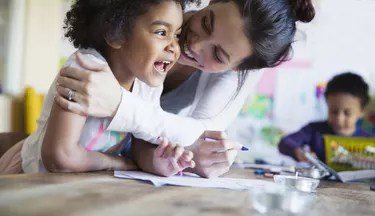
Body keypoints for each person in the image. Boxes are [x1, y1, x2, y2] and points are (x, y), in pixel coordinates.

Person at [54, 0, 316, 177]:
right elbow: (58, 152)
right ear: (212, 1)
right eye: (206, 23)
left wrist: (121, 107)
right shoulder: (146, 18)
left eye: (218, 55)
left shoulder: (151, 82)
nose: (195, 45)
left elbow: (197, 134)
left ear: (236, 68)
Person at [0, 0, 198, 174]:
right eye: (162, 32)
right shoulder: (85, 70)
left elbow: (140, 149)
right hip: (33, 178)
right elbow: (59, 157)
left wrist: (159, 162)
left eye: (177, 36)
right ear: (116, 34)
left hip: (84, 184)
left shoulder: (148, 85)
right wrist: (115, 163)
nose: (174, 47)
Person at [278, 72, 374, 163]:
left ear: (362, 112)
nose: (339, 119)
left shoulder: (370, 141)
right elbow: (285, 142)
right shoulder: (314, 131)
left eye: (347, 113)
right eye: (333, 111)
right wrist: (298, 152)